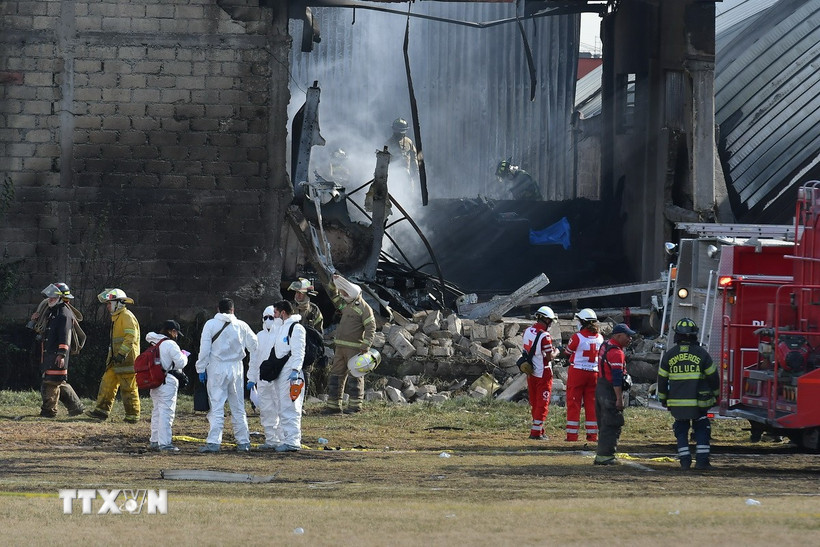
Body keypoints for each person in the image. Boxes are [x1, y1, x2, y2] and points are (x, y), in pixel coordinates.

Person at [195, 298, 258, 453]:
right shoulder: (242, 325)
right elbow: (254, 345)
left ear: (218, 309)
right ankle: (243, 442)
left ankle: (214, 442)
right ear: (233, 310)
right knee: (238, 406)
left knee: (216, 405)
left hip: (216, 366)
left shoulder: (211, 324)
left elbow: (204, 349)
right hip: (236, 367)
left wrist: (200, 368)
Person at [657, 318, 720, 470]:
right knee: (702, 428)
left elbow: (662, 380)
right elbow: (713, 377)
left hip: (677, 404)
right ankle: (702, 462)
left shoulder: (669, 356)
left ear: (677, 336)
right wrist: (716, 395)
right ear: (694, 335)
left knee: (681, 430)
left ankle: (684, 461)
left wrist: (663, 399)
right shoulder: (701, 354)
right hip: (699, 404)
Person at [247, 300, 306, 452]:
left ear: (283, 312)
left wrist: (295, 370)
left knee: (290, 407)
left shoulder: (296, 328)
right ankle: (283, 439)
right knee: (282, 408)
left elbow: (299, 351)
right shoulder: (281, 329)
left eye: (275, 313)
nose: (273, 317)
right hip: (281, 374)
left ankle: (292, 441)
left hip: (291, 374)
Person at [322, 274, 376, 414]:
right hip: (340, 348)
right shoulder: (345, 304)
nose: (343, 294)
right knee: (335, 376)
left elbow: (371, 328)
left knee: (355, 377)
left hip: (355, 349)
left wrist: (366, 345)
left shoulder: (364, 308)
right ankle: (333, 406)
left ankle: (354, 406)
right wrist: (334, 282)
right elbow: (333, 295)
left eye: (345, 292)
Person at [88, 288, 141, 423]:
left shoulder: (126, 316)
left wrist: (122, 354)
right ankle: (101, 412)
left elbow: (131, 337)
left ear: (118, 303)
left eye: (109, 303)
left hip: (127, 361)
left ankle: (132, 416)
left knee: (128, 388)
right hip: (115, 361)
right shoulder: (117, 318)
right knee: (107, 383)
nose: (107, 306)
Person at [35, 283, 85, 418]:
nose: (50, 299)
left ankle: (49, 411)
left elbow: (65, 336)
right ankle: (76, 407)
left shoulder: (63, 314)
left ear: (62, 298)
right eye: (49, 296)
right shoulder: (54, 312)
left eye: (53, 296)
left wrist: (61, 354)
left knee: (50, 382)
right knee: (58, 381)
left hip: (56, 354)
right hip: (50, 353)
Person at [594, 323, 636, 465]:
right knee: (612, 423)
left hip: (600, 387)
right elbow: (617, 378)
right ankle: (606, 457)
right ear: (618, 336)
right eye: (627, 336)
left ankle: (602, 454)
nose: (630, 339)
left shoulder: (605, 345)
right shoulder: (617, 353)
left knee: (604, 423)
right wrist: (619, 398)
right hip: (610, 391)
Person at [146, 320, 189, 453]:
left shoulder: (154, 341)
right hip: (167, 380)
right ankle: (165, 443)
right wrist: (184, 355)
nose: (176, 335)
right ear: (172, 331)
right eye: (176, 333)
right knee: (167, 412)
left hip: (154, 380)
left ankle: (154, 440)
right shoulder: (170, 344)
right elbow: (181, 363)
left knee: (157, 411)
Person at [563, 308, 603, 442]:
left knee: (573, 403)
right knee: (591, 404)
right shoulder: (600, 338)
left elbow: (568, 352)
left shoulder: (577, 337)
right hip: (594, 373)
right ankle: (592, 435)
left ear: (583, 322)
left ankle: (572, 435)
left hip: (578, 372)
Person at [521, 306, 560, 440]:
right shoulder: (545, 336)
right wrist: (557, 352)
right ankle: (536, 432)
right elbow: (549, 357)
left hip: (531, 372)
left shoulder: (527, 331)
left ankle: (538, 428)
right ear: (546, 320)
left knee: (534, 402)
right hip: (543, 373)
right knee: (542, 404)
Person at [247, 304, 280, 447]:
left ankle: (282, 439)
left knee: (280, 409)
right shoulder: (258, 336)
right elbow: (253, 359)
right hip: (262, 380)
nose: (268, 320)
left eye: (271, 317)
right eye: (265, 317)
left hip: (277, 379)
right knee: (266, 410)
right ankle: (270, 439)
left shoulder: (280, 334)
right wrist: (251, 378)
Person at [385, 117, 419, 190]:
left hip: (407, 174)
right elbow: (384, 161)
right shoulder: (388, 143)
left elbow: (414, 157)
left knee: (409, 193)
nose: (399, 134)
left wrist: (416, 171)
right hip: (393, 175)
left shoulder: (409, 142)